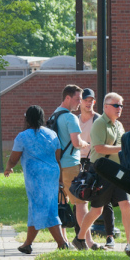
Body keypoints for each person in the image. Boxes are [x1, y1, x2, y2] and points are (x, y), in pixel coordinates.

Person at [5, 105, 68, 253]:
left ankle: (62, 243)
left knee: (46, 209)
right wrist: (60, 180)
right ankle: (27, 244)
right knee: (37, 207)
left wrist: (8, 167)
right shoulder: (52, 134)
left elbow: (14, 157)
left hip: (36, 177)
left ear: (27, 118)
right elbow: (57, 158)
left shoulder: (23, 136)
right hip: (52, 174)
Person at [76, 93, 130, 249]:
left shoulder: (119, 125)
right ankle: (80, 238)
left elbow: (123, 149)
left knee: (126, 205)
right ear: (106, 107)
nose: (119, 108)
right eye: (116, 105)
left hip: (119, 172)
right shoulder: (99, 124)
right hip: (102, 171)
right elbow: (99, 148)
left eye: (121, 105)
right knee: (97, 210)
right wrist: (125, 147)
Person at [76, 88, 116, 250]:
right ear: (80, 101)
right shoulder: (76, 119)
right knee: (80, 197)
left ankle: (110, 236)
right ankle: (81, 235)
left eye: (91, 100)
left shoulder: (98, 119)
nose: (89, 103)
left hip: (97, 162)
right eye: (86, 99)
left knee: (103, 199)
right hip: (79, 162)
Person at [51, 85, 89, 245]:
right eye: (77, 99)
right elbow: (75, 141)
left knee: (62, 202)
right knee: (81, 203)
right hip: (71, 164)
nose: (79, 103)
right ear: (67, 97)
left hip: (56, 165)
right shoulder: (71, 118)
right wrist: (84, 144)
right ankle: (84, 239)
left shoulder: (55, 115)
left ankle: (64, 240)